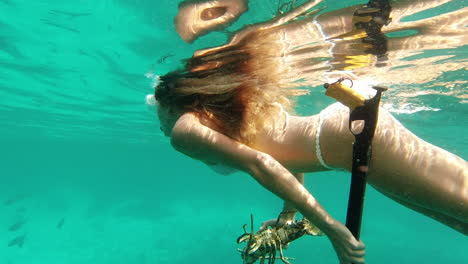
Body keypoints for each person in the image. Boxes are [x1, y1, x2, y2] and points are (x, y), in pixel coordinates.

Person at [151, 1, 468, 264]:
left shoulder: (185, 130)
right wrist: (288, 217)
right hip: (352, 135)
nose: (161, 127)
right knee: (457, 219)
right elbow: (280, 155)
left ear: (171, 102)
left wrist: (331, 229)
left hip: (356, 137)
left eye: (159, 114)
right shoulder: (221, 117)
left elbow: (262, 165)